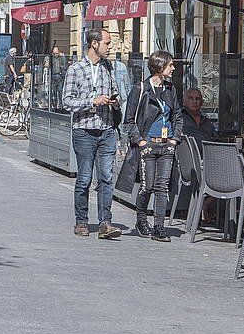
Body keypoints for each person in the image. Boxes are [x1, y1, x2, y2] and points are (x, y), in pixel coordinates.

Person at [62, 28, 122, 240]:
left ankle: (105, 222)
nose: (110, 46)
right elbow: (67, 101)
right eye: (107, 43)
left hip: (106, 130)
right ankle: (81, 221)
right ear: (94, 44)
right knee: (85, 178)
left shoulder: (108, 68)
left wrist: (114, 101)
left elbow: (117, 94)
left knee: (106, 177)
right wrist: (92, 101)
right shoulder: (75, 69)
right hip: (84, 130)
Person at [118, 50, 182, 242]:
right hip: (148, 145)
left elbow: (178, 116)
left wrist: (174, 139)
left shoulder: (171, 89)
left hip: (166, 145)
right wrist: (141, 141)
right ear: (159, 67)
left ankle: (159, 227)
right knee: (148, 186)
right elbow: (128, 120)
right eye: (170, 65)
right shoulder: (140, 89)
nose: (173, 68)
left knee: (162, 187)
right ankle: (141, 220)